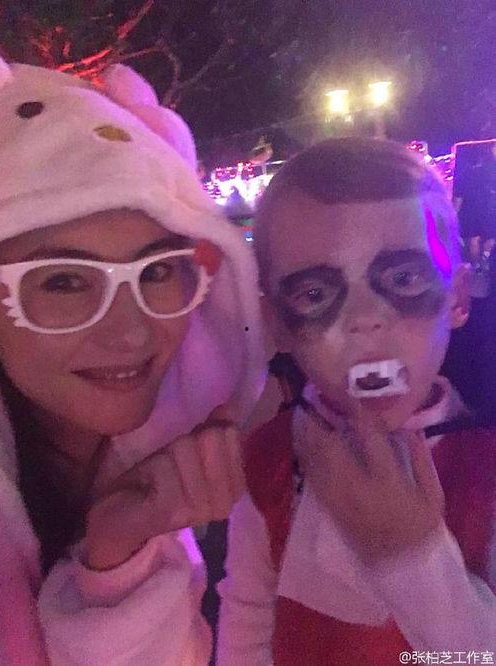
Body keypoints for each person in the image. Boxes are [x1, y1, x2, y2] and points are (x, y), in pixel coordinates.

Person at [0, 53, 264, 664]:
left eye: (158, 271)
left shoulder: (165, 453)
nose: (130, 333)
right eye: (64, 281)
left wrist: (118, 556)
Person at [218, 138, 496, 664]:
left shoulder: (487, 470)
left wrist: (411, 554)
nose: (364, 320)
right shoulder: (270, 460)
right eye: (315, 293)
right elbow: (248, 620)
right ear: (278, 324)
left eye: (404, 278)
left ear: (458, 298)